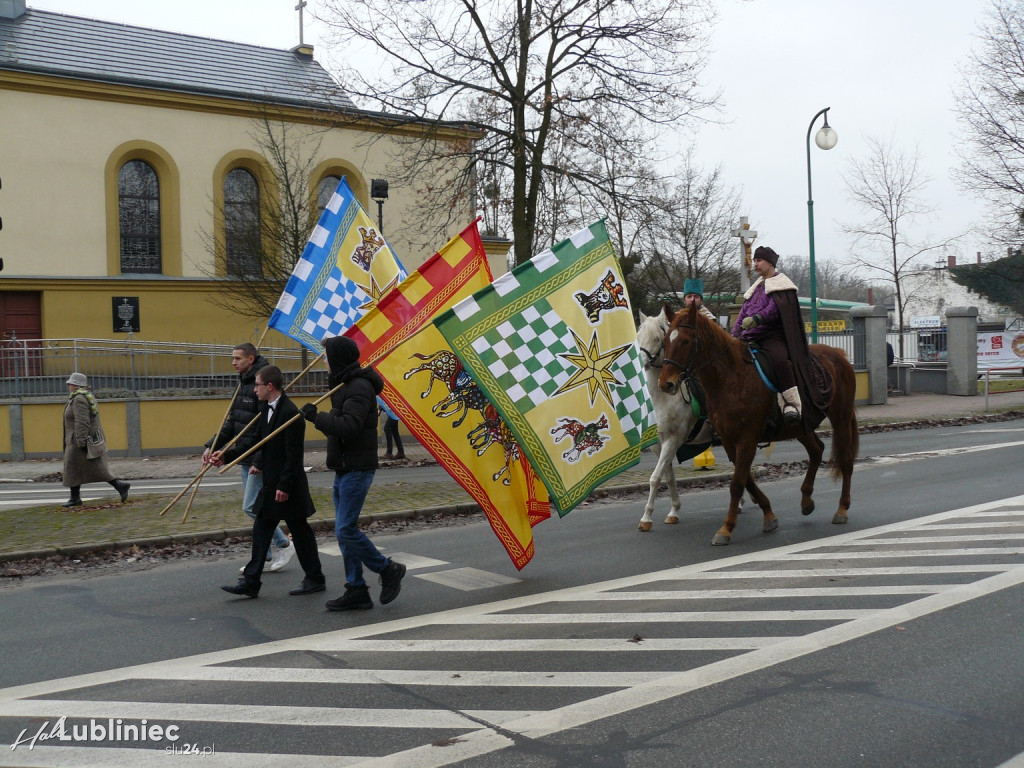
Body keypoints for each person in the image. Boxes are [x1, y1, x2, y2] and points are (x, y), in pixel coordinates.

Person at [300, 336, 406, 611]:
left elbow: (349, 426)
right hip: (345, 466)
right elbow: (342, 423)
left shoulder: (358, 387)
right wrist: (322, 416)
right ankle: (356, 589)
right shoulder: (345, 384)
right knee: (343, 531)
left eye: (325, 356)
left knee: (345, 530)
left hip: (358, 468)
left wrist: (317, 418)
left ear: (337, 359)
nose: (322, 361)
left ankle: (388, 569)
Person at [212, 365, 326, 599]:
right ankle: (252, 581)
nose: (254, 390)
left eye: (257, 385)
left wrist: (284, 486)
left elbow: (294, 456)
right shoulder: (266, 410)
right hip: (271, 484)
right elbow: (255, 442)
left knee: (300, 532)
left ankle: (315, 578)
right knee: (262, 528)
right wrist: (226, 455)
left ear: (270, 386)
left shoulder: (290, 414)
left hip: (288, 487)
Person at [203, 343, 295, 573]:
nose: (233, 362)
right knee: (257, 507)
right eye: (232, 358)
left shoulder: (262, 385)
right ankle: (264, 555)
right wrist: (213, 445)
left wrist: (258, 460)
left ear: (251, 359)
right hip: (245, 456)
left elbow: (265, 428)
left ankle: (283, 543)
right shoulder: (244, 384)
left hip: (258, 458)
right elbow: (233, 422)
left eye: (237, 358)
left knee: (252, 507)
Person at [731, 246, 828, 427]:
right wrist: (734, 334)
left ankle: (792, 404)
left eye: (759, 260)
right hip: (750, 337)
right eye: (754, 261)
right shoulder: (755, 288)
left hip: (772, 337)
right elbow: (743, 313)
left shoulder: (783, 285)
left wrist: (758, 319)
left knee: (780, 361)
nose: (755, 264)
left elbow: (775, 310)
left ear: (770, 263)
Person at [61, 373, 130, 507]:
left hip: (78, 440)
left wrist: (80, 441)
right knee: (75, 469)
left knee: (88, 468)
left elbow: (83, 421)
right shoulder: (83, 396)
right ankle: (75, 497)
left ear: (76, 385)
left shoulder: (79, 399)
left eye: (70, 384)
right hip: (76, 440)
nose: (68, 386)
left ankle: (120, 485)